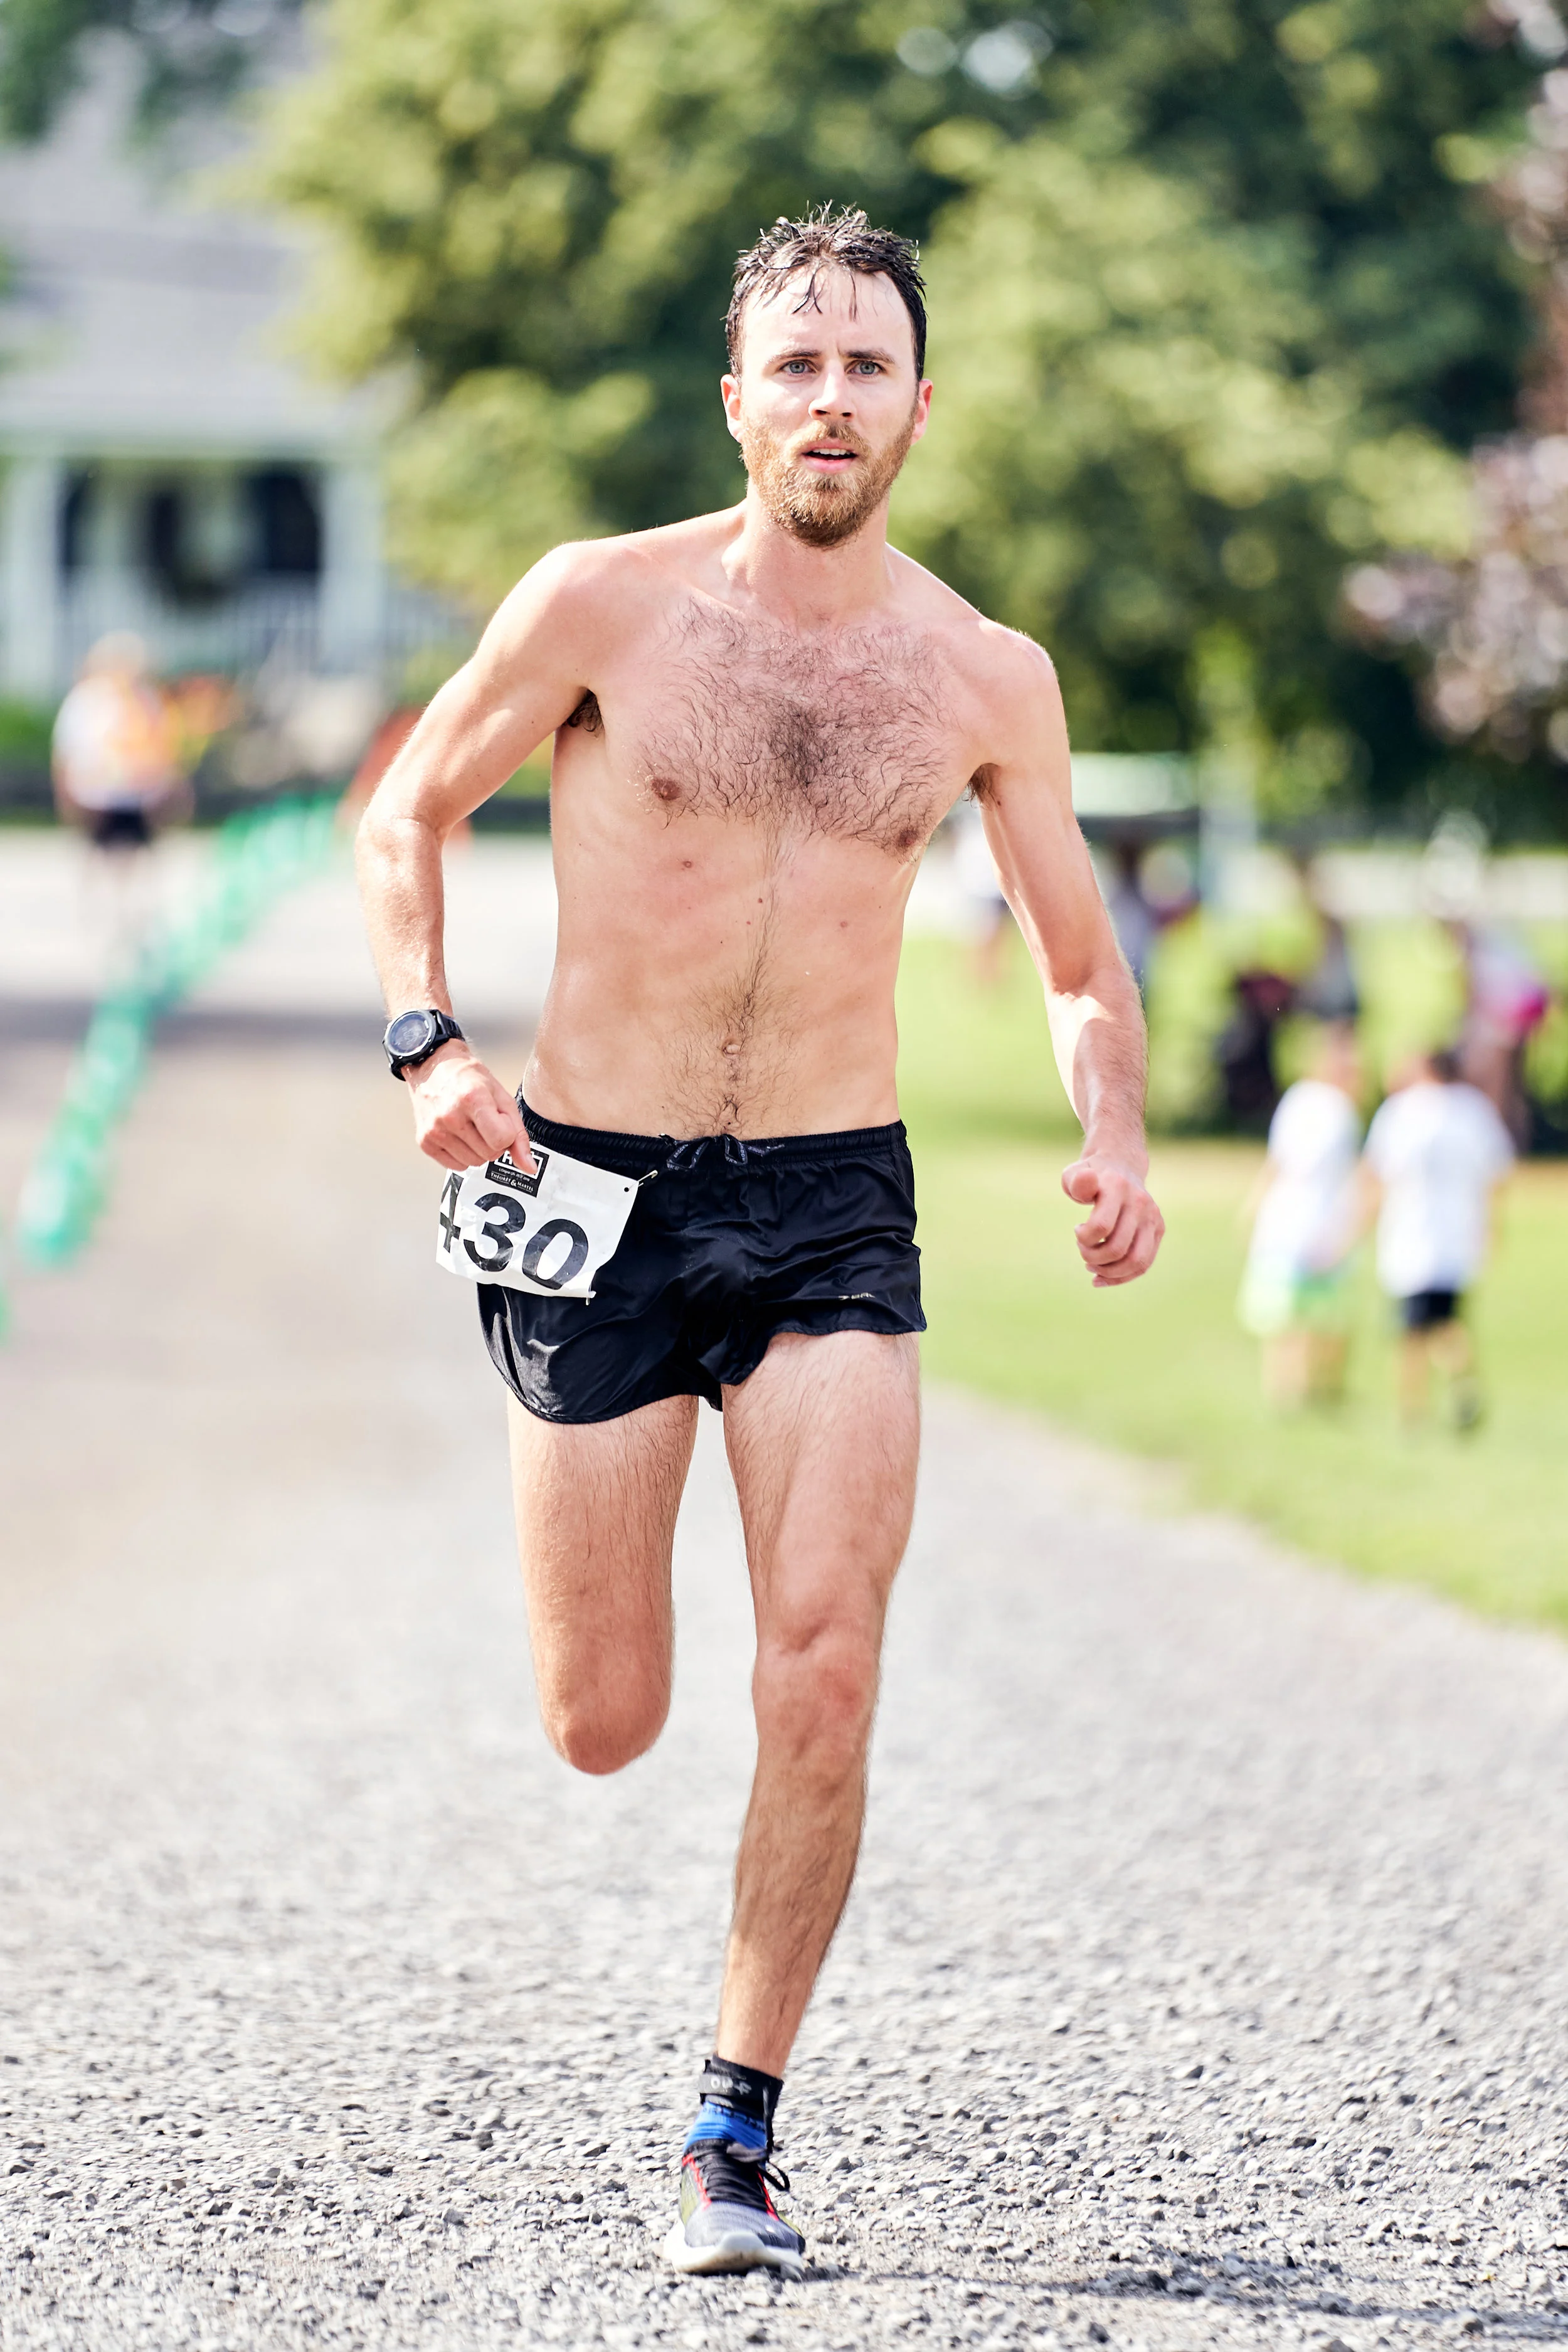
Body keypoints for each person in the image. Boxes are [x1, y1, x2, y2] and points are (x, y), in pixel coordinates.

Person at [356, 207, 1165, 2278]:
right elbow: (406, 809)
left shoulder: (986, 673)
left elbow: (1080, 955)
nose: (829, 396)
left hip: (831, 1207)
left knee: (822, 1666)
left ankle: (736, 2128)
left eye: (864, 364)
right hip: (587, 1188)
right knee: (602, 1715)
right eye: (792, 364)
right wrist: (426, 1033)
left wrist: (1117, 1128)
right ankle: (606, 1672)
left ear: (918, 402)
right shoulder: (600, 609)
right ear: (738, 400)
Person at [1362, 1047, 1513, 1431]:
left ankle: (1411, 1409)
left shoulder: (1401, 1112)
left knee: (1410, 1330)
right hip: (1457, 1234)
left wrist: (1362, 1220)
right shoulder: (1473, 1110)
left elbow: (1376, 1172)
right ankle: (1463, 1382)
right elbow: (1497, 1171)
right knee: (1447, 1319)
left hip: (1410, 1234)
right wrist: (1493, 1226)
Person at [1237, 1022, 1362, 1408]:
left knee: (1323, 1318)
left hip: (1324, 1223)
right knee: (1286, 1316)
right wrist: (1254, 1206)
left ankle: (1319, 1390)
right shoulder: (1306, 1101)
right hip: (1291, 1222)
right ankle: (1287, 1390)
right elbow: (1280, 1162)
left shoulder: (1343, 1111)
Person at [51, 633, 188, 971]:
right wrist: (67, 791)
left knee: (138, 856)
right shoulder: (87, 701)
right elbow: (68, 750)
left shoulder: (146, 700)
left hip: (138, 791)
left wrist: (170, 785)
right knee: (100, 853)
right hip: (97, 791)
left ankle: (135, 920)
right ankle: (99, 916)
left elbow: (164, 745)